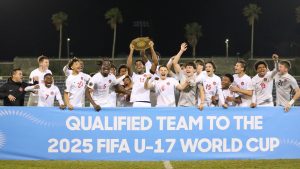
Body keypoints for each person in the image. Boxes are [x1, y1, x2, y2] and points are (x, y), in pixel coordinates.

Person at [173, 42, 205, 109]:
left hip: (192, 106)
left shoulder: (197, 79)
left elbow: (201, 91)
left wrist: (202, 103)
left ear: (194, 70)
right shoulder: (182, 75)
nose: (187, 69)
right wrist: (181, 51)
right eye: (186, 67)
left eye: (190, 67)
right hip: (180, 105)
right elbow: (175, 63)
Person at [127, 41, 158, 107]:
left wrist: (151, 47)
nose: (138, 66)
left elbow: (155, 63)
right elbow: (128, 66)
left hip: (147, 102)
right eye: (136, 65)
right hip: (136, 103)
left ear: (144, 66)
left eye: (140, 64)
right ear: (135, 67)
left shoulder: (149, 74)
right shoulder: (133, 76)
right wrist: (131, 50)